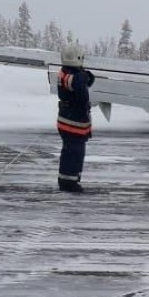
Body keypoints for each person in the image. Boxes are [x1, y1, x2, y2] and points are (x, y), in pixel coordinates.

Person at [56, 44, 95, 193]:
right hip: (71, 123)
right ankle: (68, 183)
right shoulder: (66, 75)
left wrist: (86, 75)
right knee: (72, 152)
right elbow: (78, 84)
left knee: (77, 152)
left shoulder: (71, 73)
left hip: (76, 122)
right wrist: (84, 76)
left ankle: (73, 178)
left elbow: (87, 81)